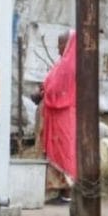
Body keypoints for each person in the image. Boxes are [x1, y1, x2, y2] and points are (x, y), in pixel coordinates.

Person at [40, 30, 77, 203]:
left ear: (68, 44)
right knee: (58, 151)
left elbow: (55, 89)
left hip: (62, 114)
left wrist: (44, 92)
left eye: (60, 44)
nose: (57, 48)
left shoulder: (68, 66)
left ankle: (67, 192)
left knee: (64, 151)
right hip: (56, 115)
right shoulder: (64, 63)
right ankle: (60, 191)